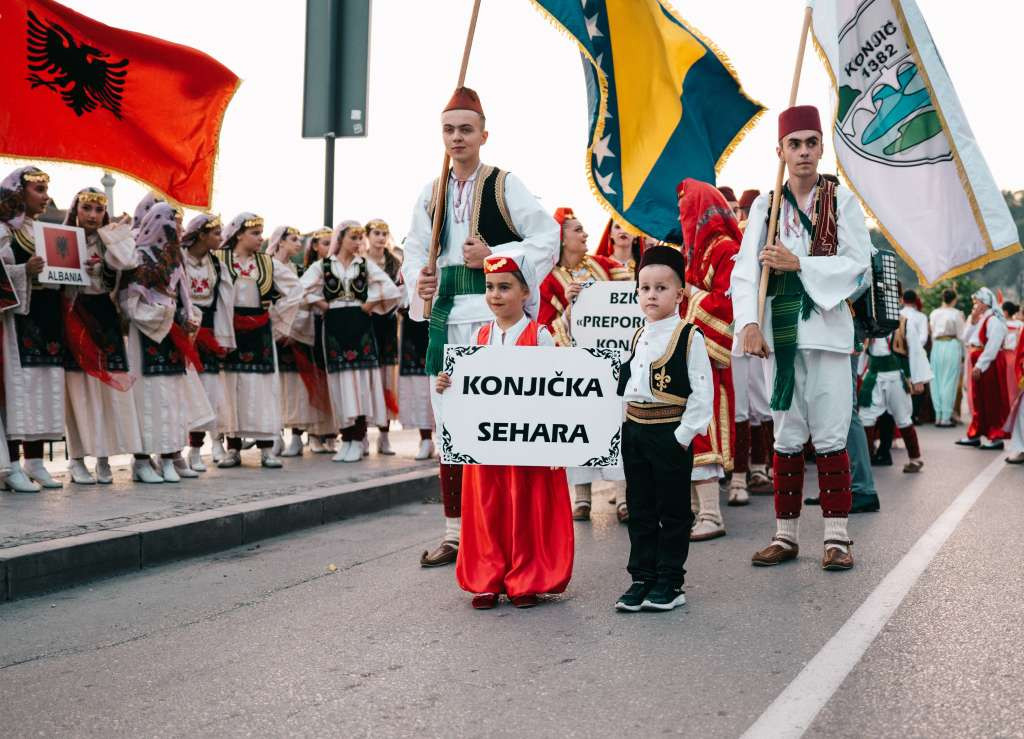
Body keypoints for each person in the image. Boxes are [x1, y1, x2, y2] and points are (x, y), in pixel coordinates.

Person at [401, 86, 559, 568]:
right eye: (449, 130)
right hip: (447, 321)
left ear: (483, 135)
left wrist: (496, 255)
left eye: (466, 129)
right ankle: (456, 533)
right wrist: (420, 280)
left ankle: (508, 531)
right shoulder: (431, 191)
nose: (457, 138)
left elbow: (547, 237)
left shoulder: (504, 184)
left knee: (502, 422)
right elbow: (414, 248)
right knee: (451, 423)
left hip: (495, 320)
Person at [732, 105, 872, 571]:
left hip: (827, 332)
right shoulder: (765, 206)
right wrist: (749, 323)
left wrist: (800, 264)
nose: (804, 151)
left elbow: (859, 264)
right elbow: (745, 269)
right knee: (787, 434)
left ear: (821, 148)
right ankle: (785, 536)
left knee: (831, 433)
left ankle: (837, 538)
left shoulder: (841, 200)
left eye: (812, 143)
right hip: (780, 332)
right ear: (781, 151)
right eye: (795, 144)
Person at [436, 250, 573, 609]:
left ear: (525, 292)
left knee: (526, 509)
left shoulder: (540, 336)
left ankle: (525, 578)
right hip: (487, 444)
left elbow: (557, 391)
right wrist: (448, 383)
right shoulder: (479, 336)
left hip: (527, 444)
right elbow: (467, 386)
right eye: (490, 287)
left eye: (505, 287)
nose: (495, 295)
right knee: (488, 510)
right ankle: (487, 579)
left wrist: (558, 442)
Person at [613, 246, 713, 613]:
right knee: (640, 507)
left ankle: (670, 580)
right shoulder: (638, 336)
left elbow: (702, 393)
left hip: (669, 432)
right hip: (636, 432)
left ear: (679, 294)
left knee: (672, 510)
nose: (651, 295)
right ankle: (642, 577)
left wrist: (681, 437)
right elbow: (626, 386)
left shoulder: (689, 336)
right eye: (645, 288)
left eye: (661, 288)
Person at [539, 206, 630, 522]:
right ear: (561, 239)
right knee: (578, 427)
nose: (586, 234)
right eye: (578, 230)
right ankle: (581, 497)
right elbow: (544, 327)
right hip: (574, 368)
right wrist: (568, 309)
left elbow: (630, 296)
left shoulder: (603, 266)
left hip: (611, 364)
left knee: (618, 425)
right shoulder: (549, 281)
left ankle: (624, 497)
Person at [119, 202, 215, 483]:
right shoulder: (139, 256)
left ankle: (169, 455)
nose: (181, 229)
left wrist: (187, 317)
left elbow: (183, 296)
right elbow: (128, 300)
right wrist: (162, 314)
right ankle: (141, 460)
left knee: (173, 396)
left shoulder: (175, 258)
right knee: (147, 396)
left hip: (171, 331)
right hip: (147, 331)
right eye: (176, 223)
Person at [300, 220, 402, 462]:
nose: (357, 243)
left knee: (360, 383)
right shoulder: (324, 266)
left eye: (359, 238)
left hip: (359, 325)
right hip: (335, 326)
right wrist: (321, 303)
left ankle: (357, 438)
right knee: (340, 382)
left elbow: (391, 290)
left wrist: (370, 303)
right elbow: (300, 289)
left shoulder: (364, 265)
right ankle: (346, 439)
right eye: (353, 238)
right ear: (340, 239)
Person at [62, 187, 142, 484]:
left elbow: (129, 262)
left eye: (99, 210)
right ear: (76, 210)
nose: (93, 215)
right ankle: (77, 459)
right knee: (78, 390)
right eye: (87, 209)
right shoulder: (61, 238)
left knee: (106, 391)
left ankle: (104, 457)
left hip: (104, 317)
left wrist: (108, 256)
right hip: (74, 314)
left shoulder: (109, 241)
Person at [675, 179, 739, 539]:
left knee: (704, 428)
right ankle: (695, 511)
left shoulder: (726, 249)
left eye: (684, 209)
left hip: (707, 356)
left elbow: (727, 303)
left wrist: (688, 297)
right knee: (685, 429)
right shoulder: (692, 252)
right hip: (684, 353)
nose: (680, 217)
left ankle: (712, 515)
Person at [215, 213, 305, 468]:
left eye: (261, 233)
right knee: (232, 388)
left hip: (259, 330)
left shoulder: (267, 263)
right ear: (238, 235)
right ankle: (233, 449)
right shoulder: (220, 260)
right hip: (231, 330)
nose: (260, 239)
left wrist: (276, 319)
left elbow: (295, 289)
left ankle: (266, 450)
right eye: (255, 233)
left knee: (262, 389)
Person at [0, 166, 65, 491]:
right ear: (19, 192)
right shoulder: (4, 231)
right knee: (17, 389)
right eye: (39, 190)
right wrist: (24, 270)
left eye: (46, 190)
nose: (46, 197)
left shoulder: (46, 232)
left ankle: (35, 461)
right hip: (16, 320)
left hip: (45, 317)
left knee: (43, 385)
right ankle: (12, 464)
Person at [182, 213, 235, 471]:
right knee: (183, 390)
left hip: (208, 329)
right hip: (183, 328)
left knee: (207, 391)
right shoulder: (180, 259)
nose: (221, 238)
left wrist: (224, 337)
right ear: (201, 235)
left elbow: (225, 303)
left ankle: (196, 450)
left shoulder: (217, 265)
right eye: (215, 233)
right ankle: (174, 451)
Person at [267, 225, 325, 458]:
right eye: (293, 239)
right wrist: (278, 327)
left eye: (300, 239)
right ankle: (275, 436)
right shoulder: (266, 267)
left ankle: (297, 438)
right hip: (271, 332)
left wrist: (292, 329)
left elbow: (303, 301)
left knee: (296, 389)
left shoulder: (300, 270)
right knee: (274, 388)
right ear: (280, 241)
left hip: (296, 334)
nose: (299, 243)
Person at [858, 314, 930, 473]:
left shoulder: (904, 322)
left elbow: (916, 350)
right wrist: (858, 368)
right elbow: (861, 347)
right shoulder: (868, 319)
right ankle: (865, 460)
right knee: (865, 417)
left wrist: (918, 379)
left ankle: (915, 459)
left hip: (895, 376)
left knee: (903, 417)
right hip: (873, 376)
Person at [300, 228, 340, 454]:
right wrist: (320, 302)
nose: (330, 248)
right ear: (315, 246)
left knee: (332, 379)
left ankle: (332, 433)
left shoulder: (338, 267)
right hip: (314, 325)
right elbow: (300, 292)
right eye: (325, 243)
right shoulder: (312, 269)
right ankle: (315, 433)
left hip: (335, 326)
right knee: (316, 379)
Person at [365, 218, 402, 456]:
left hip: (387, 322)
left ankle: (385, 435)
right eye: (376, 233)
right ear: (368, 236)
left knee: (386, 378)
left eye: (384, 234)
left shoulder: (394, 262)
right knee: (366, 378)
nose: (380, 238)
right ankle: (362, 435)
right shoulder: (361, 261)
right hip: (365, 321)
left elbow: (400, 290)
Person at [956, 287, 1011, 450]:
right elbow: (965, 338)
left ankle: (995, 436)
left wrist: (980, 365)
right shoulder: (979, 318)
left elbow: (993, 345)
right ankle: (976, 433)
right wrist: (972, 321)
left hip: (988, 363)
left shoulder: (994, 320)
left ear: (986, 303)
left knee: (991, 399)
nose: (975, 305)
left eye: (977, 302)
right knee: (978, 399)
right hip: (979, 359)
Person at [929, 288, 965, 427]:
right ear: (954, 299)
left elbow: (932, 331)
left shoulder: (934, 313)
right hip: (951, 345)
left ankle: (938, 416)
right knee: (949, 381)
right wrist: (963, 354)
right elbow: (961, 335)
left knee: (936, 380)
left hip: (937, 346)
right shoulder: (957, 314)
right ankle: (945, 417)